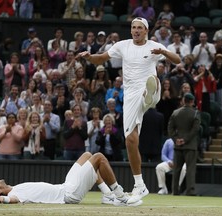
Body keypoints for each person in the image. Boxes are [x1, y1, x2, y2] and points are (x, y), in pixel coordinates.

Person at [79, 17, 180, 204]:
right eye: (133, 27)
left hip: (147, 87)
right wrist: (89, 57)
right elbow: (101, 58)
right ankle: (140, 185)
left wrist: (163, 51)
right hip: (131, 96)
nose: (136, 30)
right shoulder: (122, 45)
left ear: (146, 30)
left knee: (153, 85)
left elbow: (177, 59)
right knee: (130, 140)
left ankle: (151, 93)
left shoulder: (154, 45)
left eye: (140, 28)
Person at [0, 152, 142, 206]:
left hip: (66, 185)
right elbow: (14, 200)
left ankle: (107, 195)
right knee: (98, 158)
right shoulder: (13, 194)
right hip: (69, 194)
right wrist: (2, 199)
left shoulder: (14, 187)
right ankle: (120, 196)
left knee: (87, 156)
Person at [168, 93, 200, 196]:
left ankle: (175, 191)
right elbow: (195, 130)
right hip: (190, 146)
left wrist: (176, 139)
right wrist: (185, 140)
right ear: (192, 101)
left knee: (176, 169)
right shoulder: (195, 113)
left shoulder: (175, 113)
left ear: (183, 101)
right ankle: (190, 191)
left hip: (178, 146)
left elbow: (170, 128)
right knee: (190, 169)